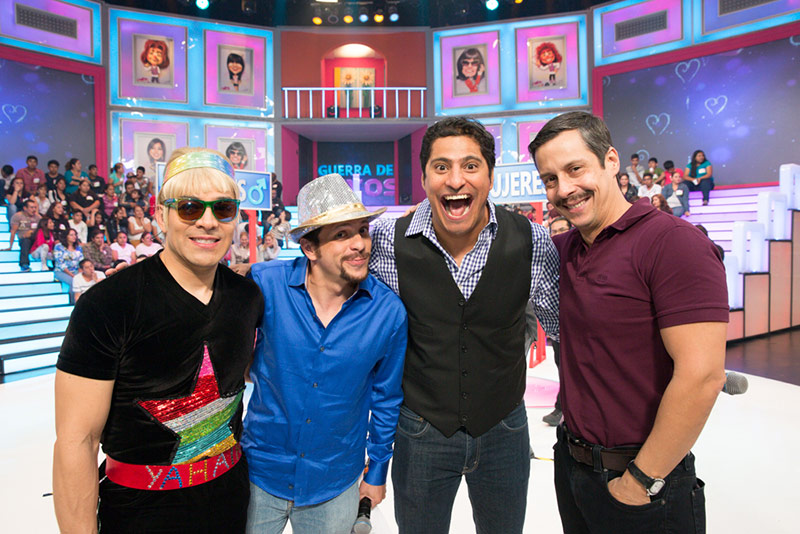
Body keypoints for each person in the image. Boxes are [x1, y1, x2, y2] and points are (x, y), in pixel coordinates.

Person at [529, 111, 728, 534]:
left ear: (611, 160)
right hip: (573, 467)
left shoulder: (673, 243)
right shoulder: (561, 251)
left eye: (575, 169)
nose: (563, 189)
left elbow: (703, 376)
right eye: (550, 179)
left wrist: (640, 481)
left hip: (644, 482)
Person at [53, 147, 263, 532]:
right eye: (189, 208)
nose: (208, 222)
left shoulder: (247, 297)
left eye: (223, 208)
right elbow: (76, 441)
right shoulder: (108, 304)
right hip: (139, 515)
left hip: (231, 502)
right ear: (160, 215)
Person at [369, 116, 560, 534]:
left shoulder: (533, 240)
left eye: (471, 166)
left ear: (490, 177)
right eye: (441, 167)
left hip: (504, 426)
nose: (456, 180)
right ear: (424, 178)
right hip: (421, 428)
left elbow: (565, 333)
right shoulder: (384, 240)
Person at [242, 173, 407, 534]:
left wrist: (377, 471)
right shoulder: (265, 284)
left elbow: (386, 399)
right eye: (342, 235)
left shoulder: (388, 312)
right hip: (259, 473)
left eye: (362, 231)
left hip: (334, 482)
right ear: (310, 248)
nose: (359, 244)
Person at [6, 199, 41, 271]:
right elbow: (13, 232)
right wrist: (10, 246)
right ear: (25, 208)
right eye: (31, 207)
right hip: (24, 239)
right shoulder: (18, 216)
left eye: (35, 207)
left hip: (37, 239)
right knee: (26, 241)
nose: (34, 210)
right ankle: (24, 264)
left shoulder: (38, 217)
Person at [53, 228, 83, 294]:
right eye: (71, 235)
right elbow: (61, 264)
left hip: (76, 271)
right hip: (61, 271)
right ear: (66, 236)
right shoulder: (59, 247)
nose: (74, 237)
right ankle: (73, 300)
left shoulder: (78, 247)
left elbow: (81, 262)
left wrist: (79, 274)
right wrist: (73, 275)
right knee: (74, 282)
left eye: (75, 235)